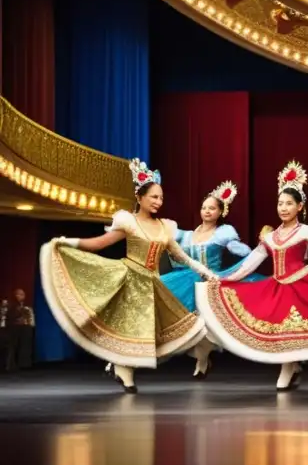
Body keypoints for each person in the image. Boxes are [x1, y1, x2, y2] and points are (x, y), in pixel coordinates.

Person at [38, 159, 216, 393]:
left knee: (176, 330)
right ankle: (124, 370)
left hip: (152, 283)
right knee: (131, 329)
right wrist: (67, 242)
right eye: (153, 196)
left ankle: (133, 366)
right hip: (130, 278)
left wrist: (205, 271)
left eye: (161, 197)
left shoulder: (164, 227)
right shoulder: (128, 222)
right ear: (139, 197)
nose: (158, 202)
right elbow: (99, 243)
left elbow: (182, 256)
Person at [195, 161, 308, 391]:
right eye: (280, 203)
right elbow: (250, 263)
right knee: (284, 332)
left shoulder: (307, 231)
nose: (283, 208)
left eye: (289, 203)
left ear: (299, 206)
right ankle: (289, 369)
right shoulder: (270, 237)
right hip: (278, 287)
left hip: (305, 285)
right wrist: (225, 279)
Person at [161, 180, 256, 380]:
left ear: (220, 212)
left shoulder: (223, 233)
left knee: (207, 325)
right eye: (204, 207)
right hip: (186, 279)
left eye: (212, 208)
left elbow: (241, 251)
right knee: (178, 318)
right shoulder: (186, 235)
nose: (207, 211)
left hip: (212, 280)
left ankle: (202, 361)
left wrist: (244, 249)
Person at [7, 289, 35, 371]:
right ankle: (12, 365)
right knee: (14, 347)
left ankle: (24, 364)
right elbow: (9, 317)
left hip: (25, 328)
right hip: (14, 329)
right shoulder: (11, 305)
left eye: (22, 294)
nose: (20, 296)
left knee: (24, 346)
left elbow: (30, 317)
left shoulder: (27, 305)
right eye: (18, 294)